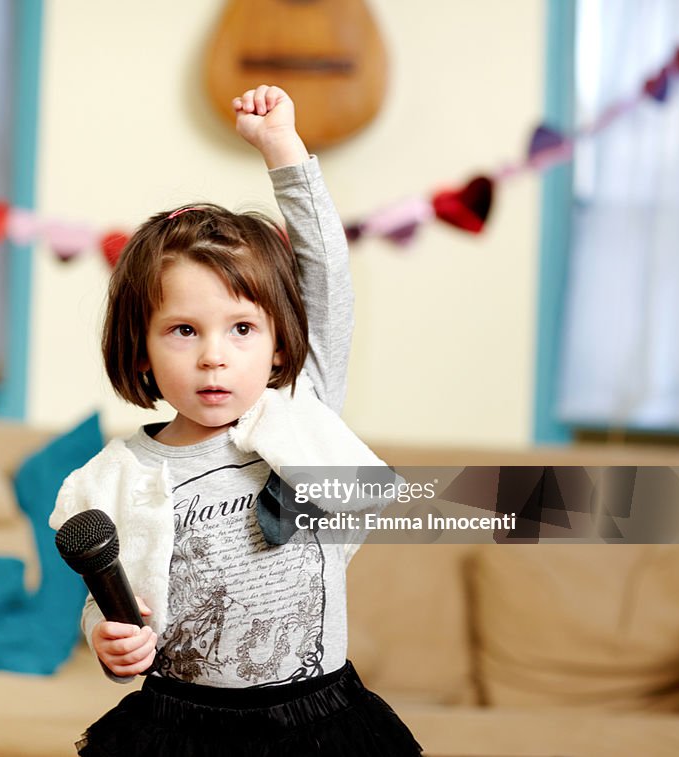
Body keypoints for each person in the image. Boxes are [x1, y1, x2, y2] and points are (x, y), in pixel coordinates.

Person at [50, 86, 422, 755]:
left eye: (242, 327)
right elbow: (112, 604)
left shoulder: (301, 413)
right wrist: (109, 643)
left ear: (282, 343)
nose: (214, 356)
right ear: (140, 347)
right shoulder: (112, 477)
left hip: (318, 720)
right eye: (184, 329)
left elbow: (327, 273)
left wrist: (284, 149)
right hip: (180, 724)